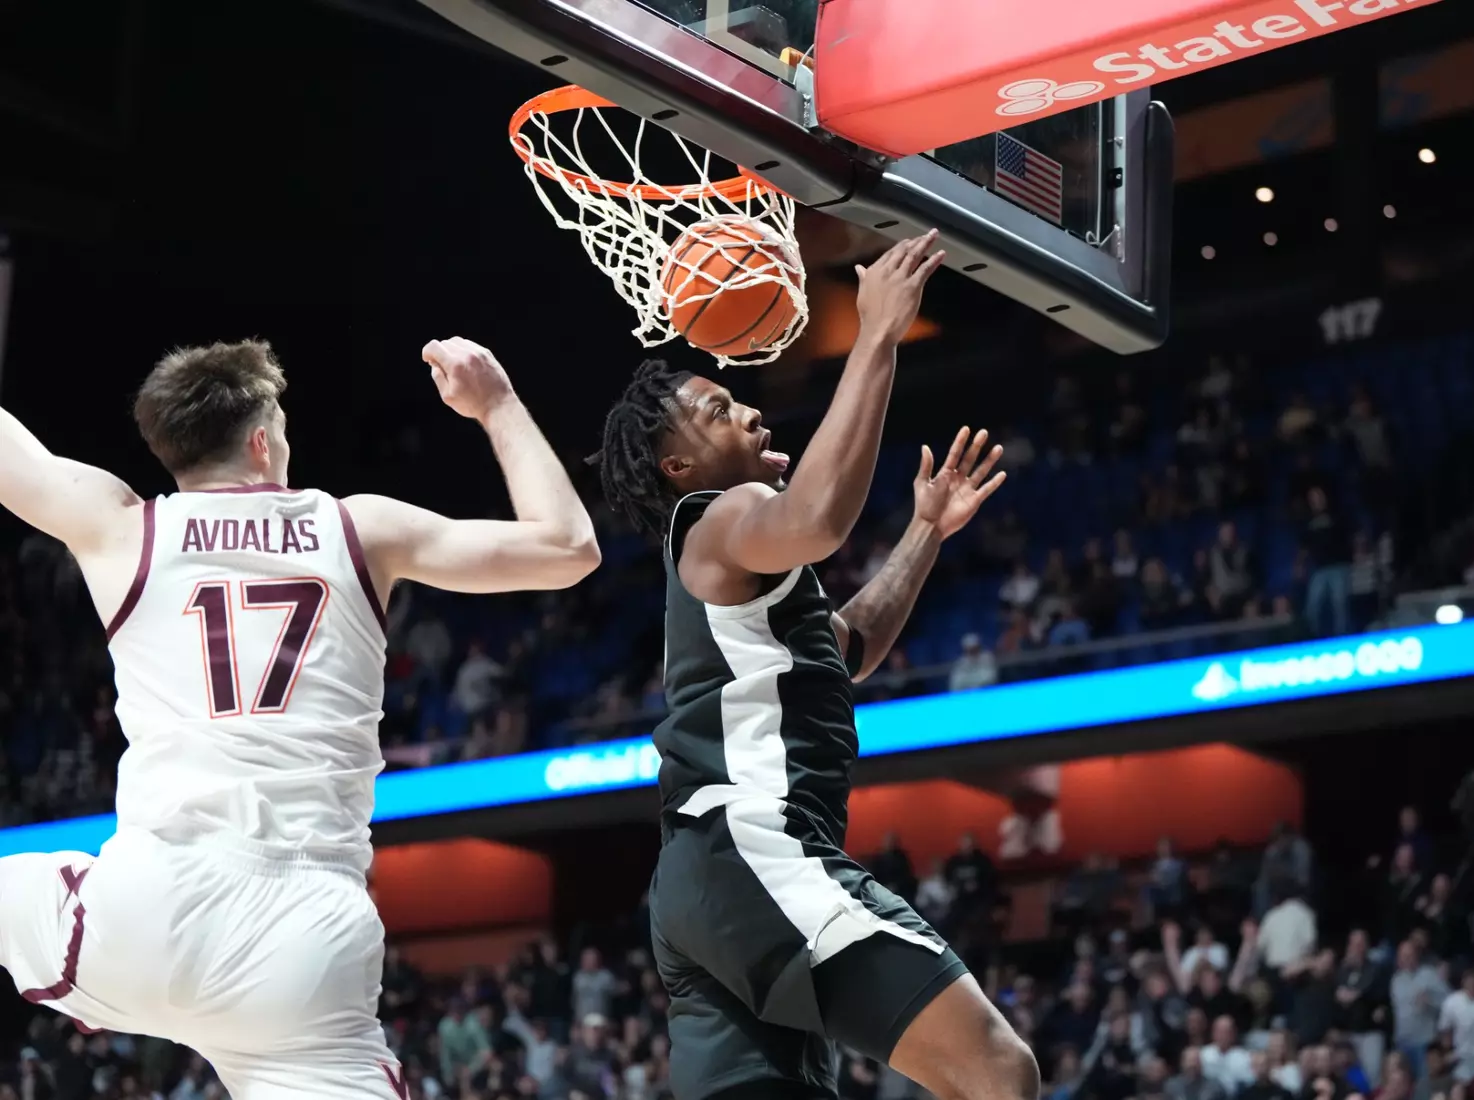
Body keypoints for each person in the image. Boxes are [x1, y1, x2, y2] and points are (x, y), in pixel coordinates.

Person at [0, 337, 599, 1097]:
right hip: (305, 938)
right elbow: (568, 547)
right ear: (261, 441)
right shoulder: (360, 529)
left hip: (147, 910)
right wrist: (497, 403)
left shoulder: (122, 527)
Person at [593, 233, 1036, 1100]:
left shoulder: (736, 572)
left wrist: (925, 533)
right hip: (748, 847)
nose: (751, 414)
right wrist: (876, 335)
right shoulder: (720, 513)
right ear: (680, 466)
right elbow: (822, 517)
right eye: (720, 412)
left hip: (700, 887)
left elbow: (848, 649)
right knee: (996, 1071)